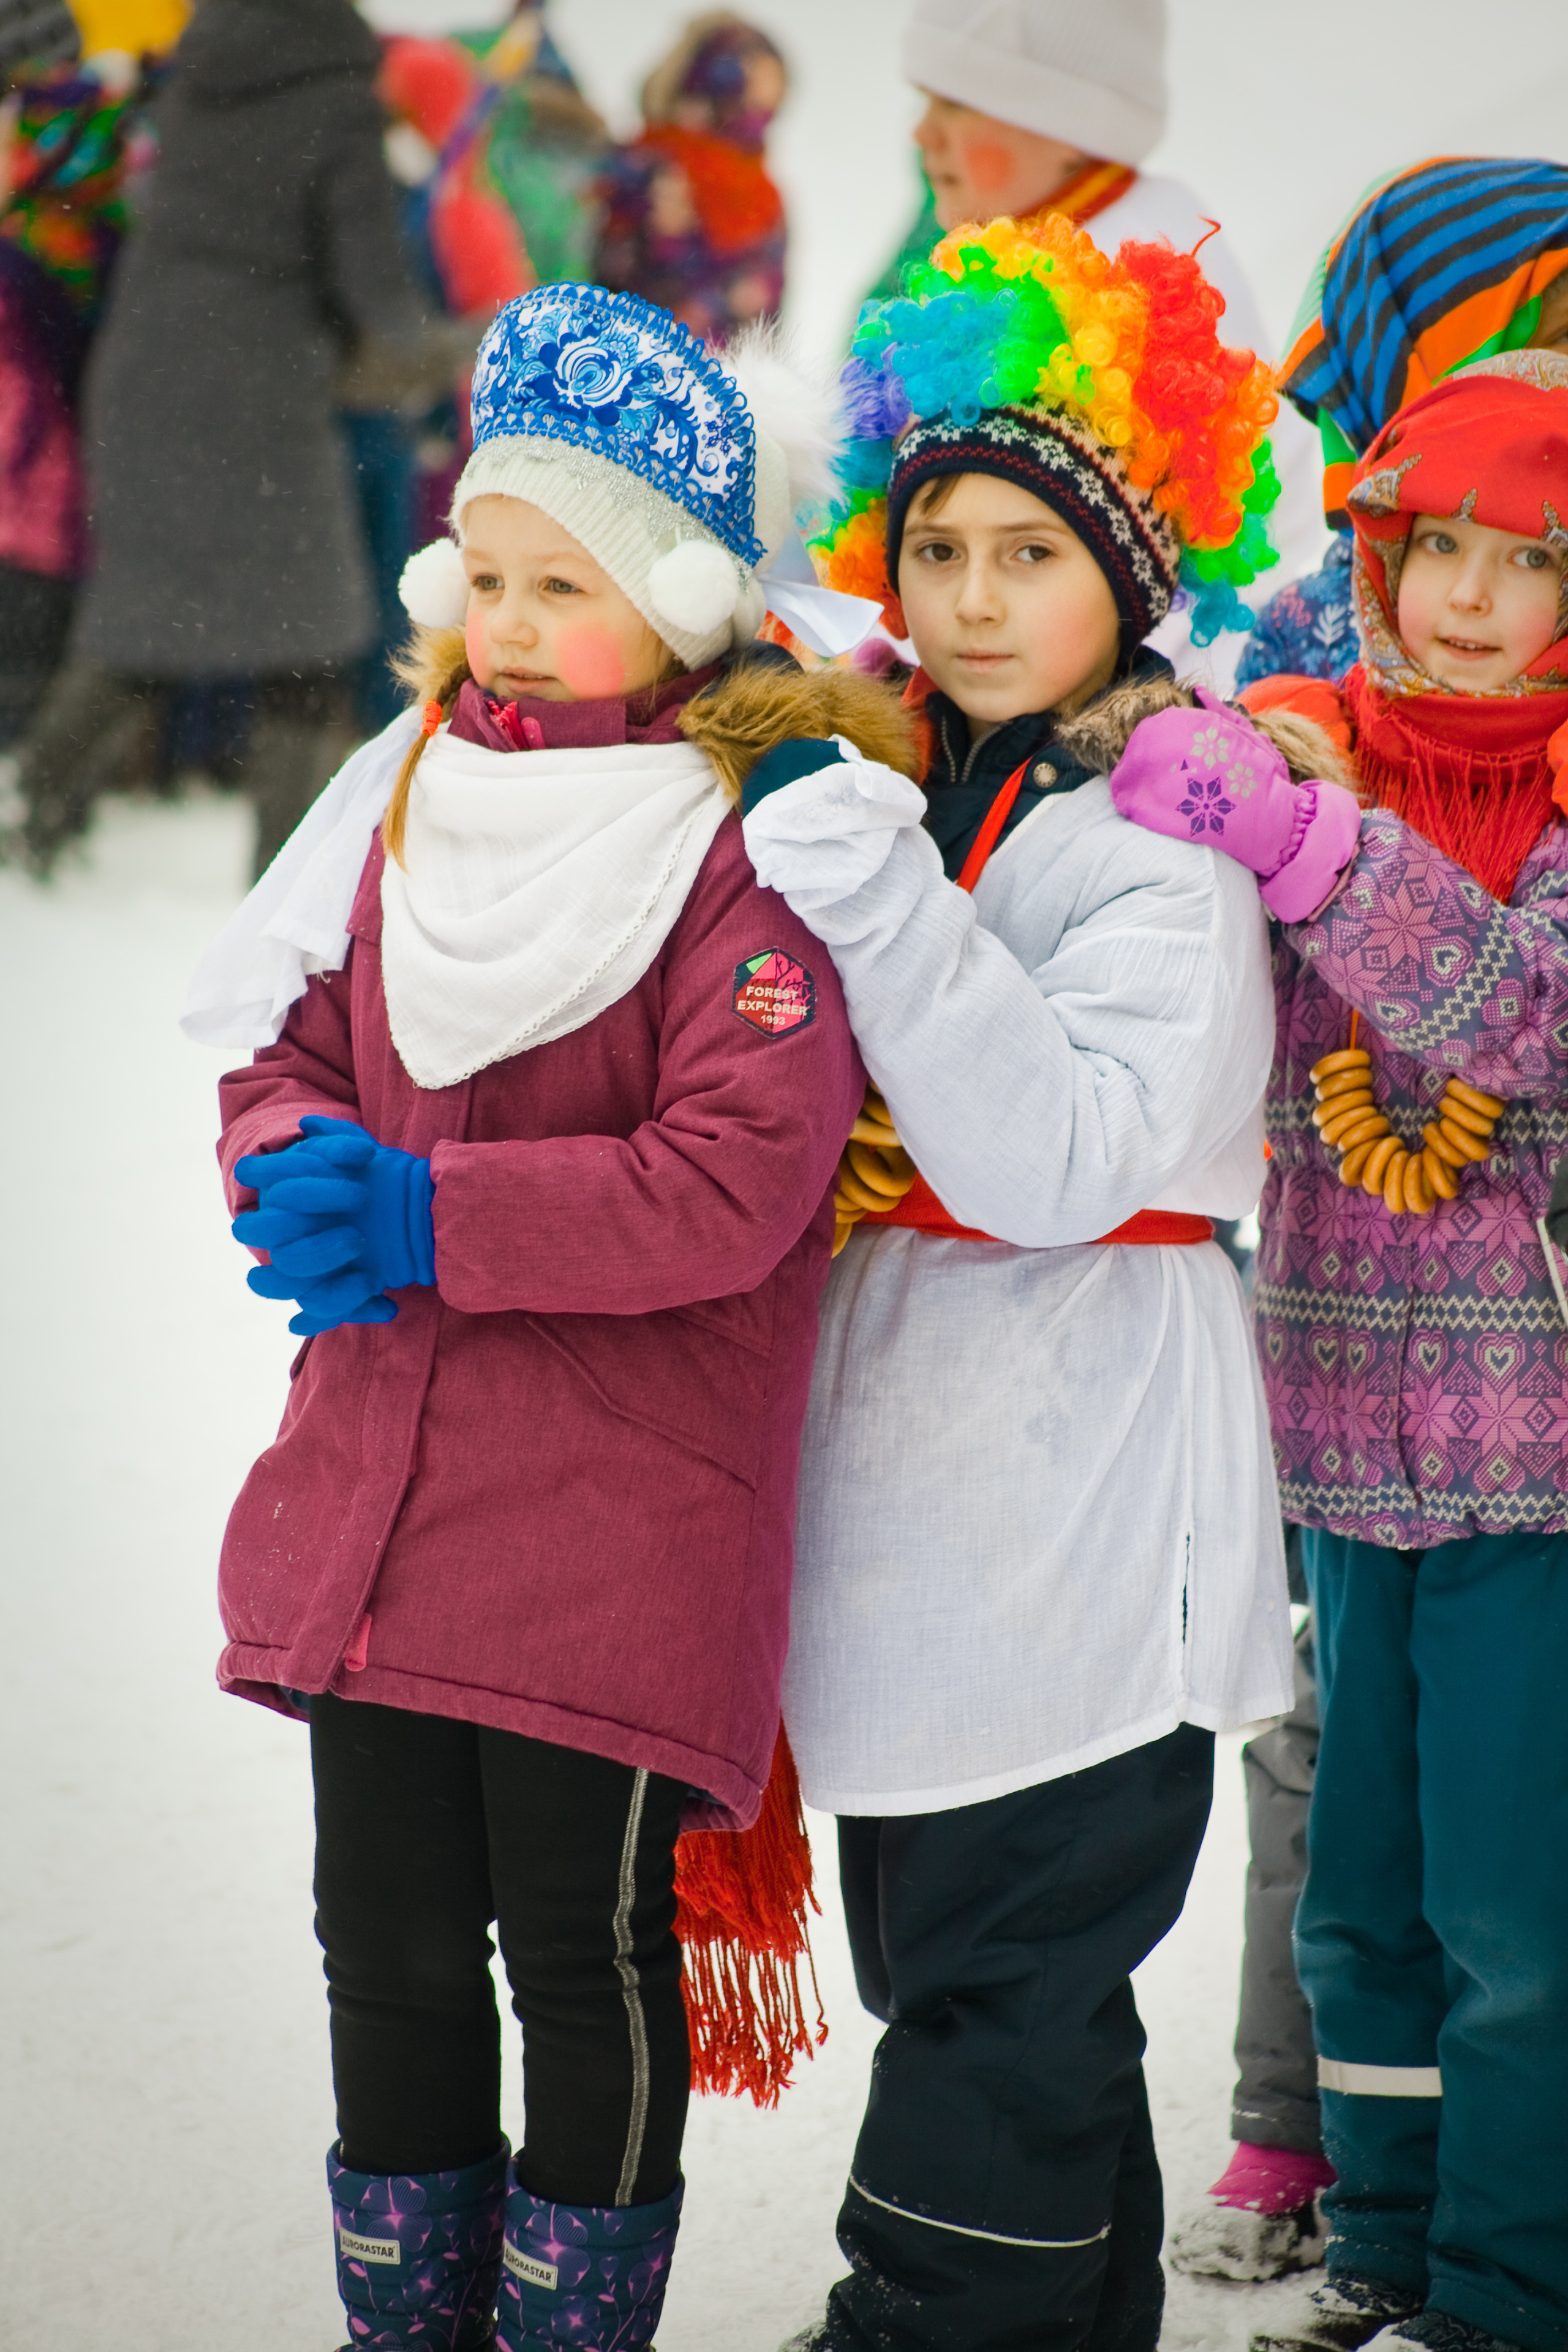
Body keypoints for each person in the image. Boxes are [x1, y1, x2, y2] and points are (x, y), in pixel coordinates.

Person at [181, 281, 903, 2352]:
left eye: (556, 582)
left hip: (614, 1516)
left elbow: (732, 1179)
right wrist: (287, 1161)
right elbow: (282, 1022)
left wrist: (426, 1214)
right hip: (385, 1495)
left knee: (574, 1960)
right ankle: (408, 2325)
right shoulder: (416, 790)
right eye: (483, 573)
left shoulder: (745, 844)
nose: (501, 619)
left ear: (679, 597)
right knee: (382, 1944)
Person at [736, 208, 1296, 2352]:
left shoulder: (1168, 856)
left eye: (1031, 555)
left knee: (1009, 1981)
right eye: (943, 544)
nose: (974, 596)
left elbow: (1052, 1156)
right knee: (971, 1974)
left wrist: (874, 891)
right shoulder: (903, 779)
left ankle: (929, 2323)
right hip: (919, 1503)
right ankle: (1056, 2313)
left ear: (1129, 586)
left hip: (1086, 1502)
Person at [1111, 350, 1568, 2352]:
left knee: (1518, 1927)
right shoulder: (1313, 742)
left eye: (1527, 560)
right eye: (1436, 544)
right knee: (1355, 1899)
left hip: (1533, 1461)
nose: (1471, 595)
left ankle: (1509, 2281)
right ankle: (1380, 2226)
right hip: (1326, 1439)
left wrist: (1313, 849)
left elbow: (1524, 1019)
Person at [8, 0, 433, 881]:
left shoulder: (198, 80)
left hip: (144, 381)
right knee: (312, 635)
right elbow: (383, 306)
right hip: (258, 398)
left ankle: (35, 814)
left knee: (142, 618)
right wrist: (482, 335)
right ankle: (285, 875)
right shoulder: (340, 104)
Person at [863, 0, 1326, 684]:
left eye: (958, 105)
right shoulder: (1030, 246)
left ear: (1066, 127)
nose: (922, 134)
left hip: (1179, 686)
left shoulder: (1129, 274)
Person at [1238, 157, 1568, 690]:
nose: (1468, 595)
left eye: (1533, 560)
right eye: (1564, 337)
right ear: (1437, 364)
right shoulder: (1301, 652)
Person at [595, 12, 788, 345]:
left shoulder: (765, 202)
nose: (756, 113)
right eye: (747, 90)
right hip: (614, 372)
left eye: (770, 97)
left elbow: (765, 326)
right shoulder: (637, 169)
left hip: (723, 388)